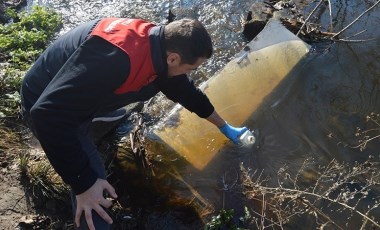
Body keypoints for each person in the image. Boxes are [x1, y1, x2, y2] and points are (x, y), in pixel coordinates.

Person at [20, 17, 249, 229]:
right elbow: (46, 114)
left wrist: (223, 126)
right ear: (173, 58)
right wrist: (83, 183)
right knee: (97, 196)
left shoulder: (159, 45)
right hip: (46, 105)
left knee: (138, 94)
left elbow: (187, 93)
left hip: (78, 92)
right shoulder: (114, 59)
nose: (190, 73)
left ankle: (94, 118)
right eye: (191, 69)